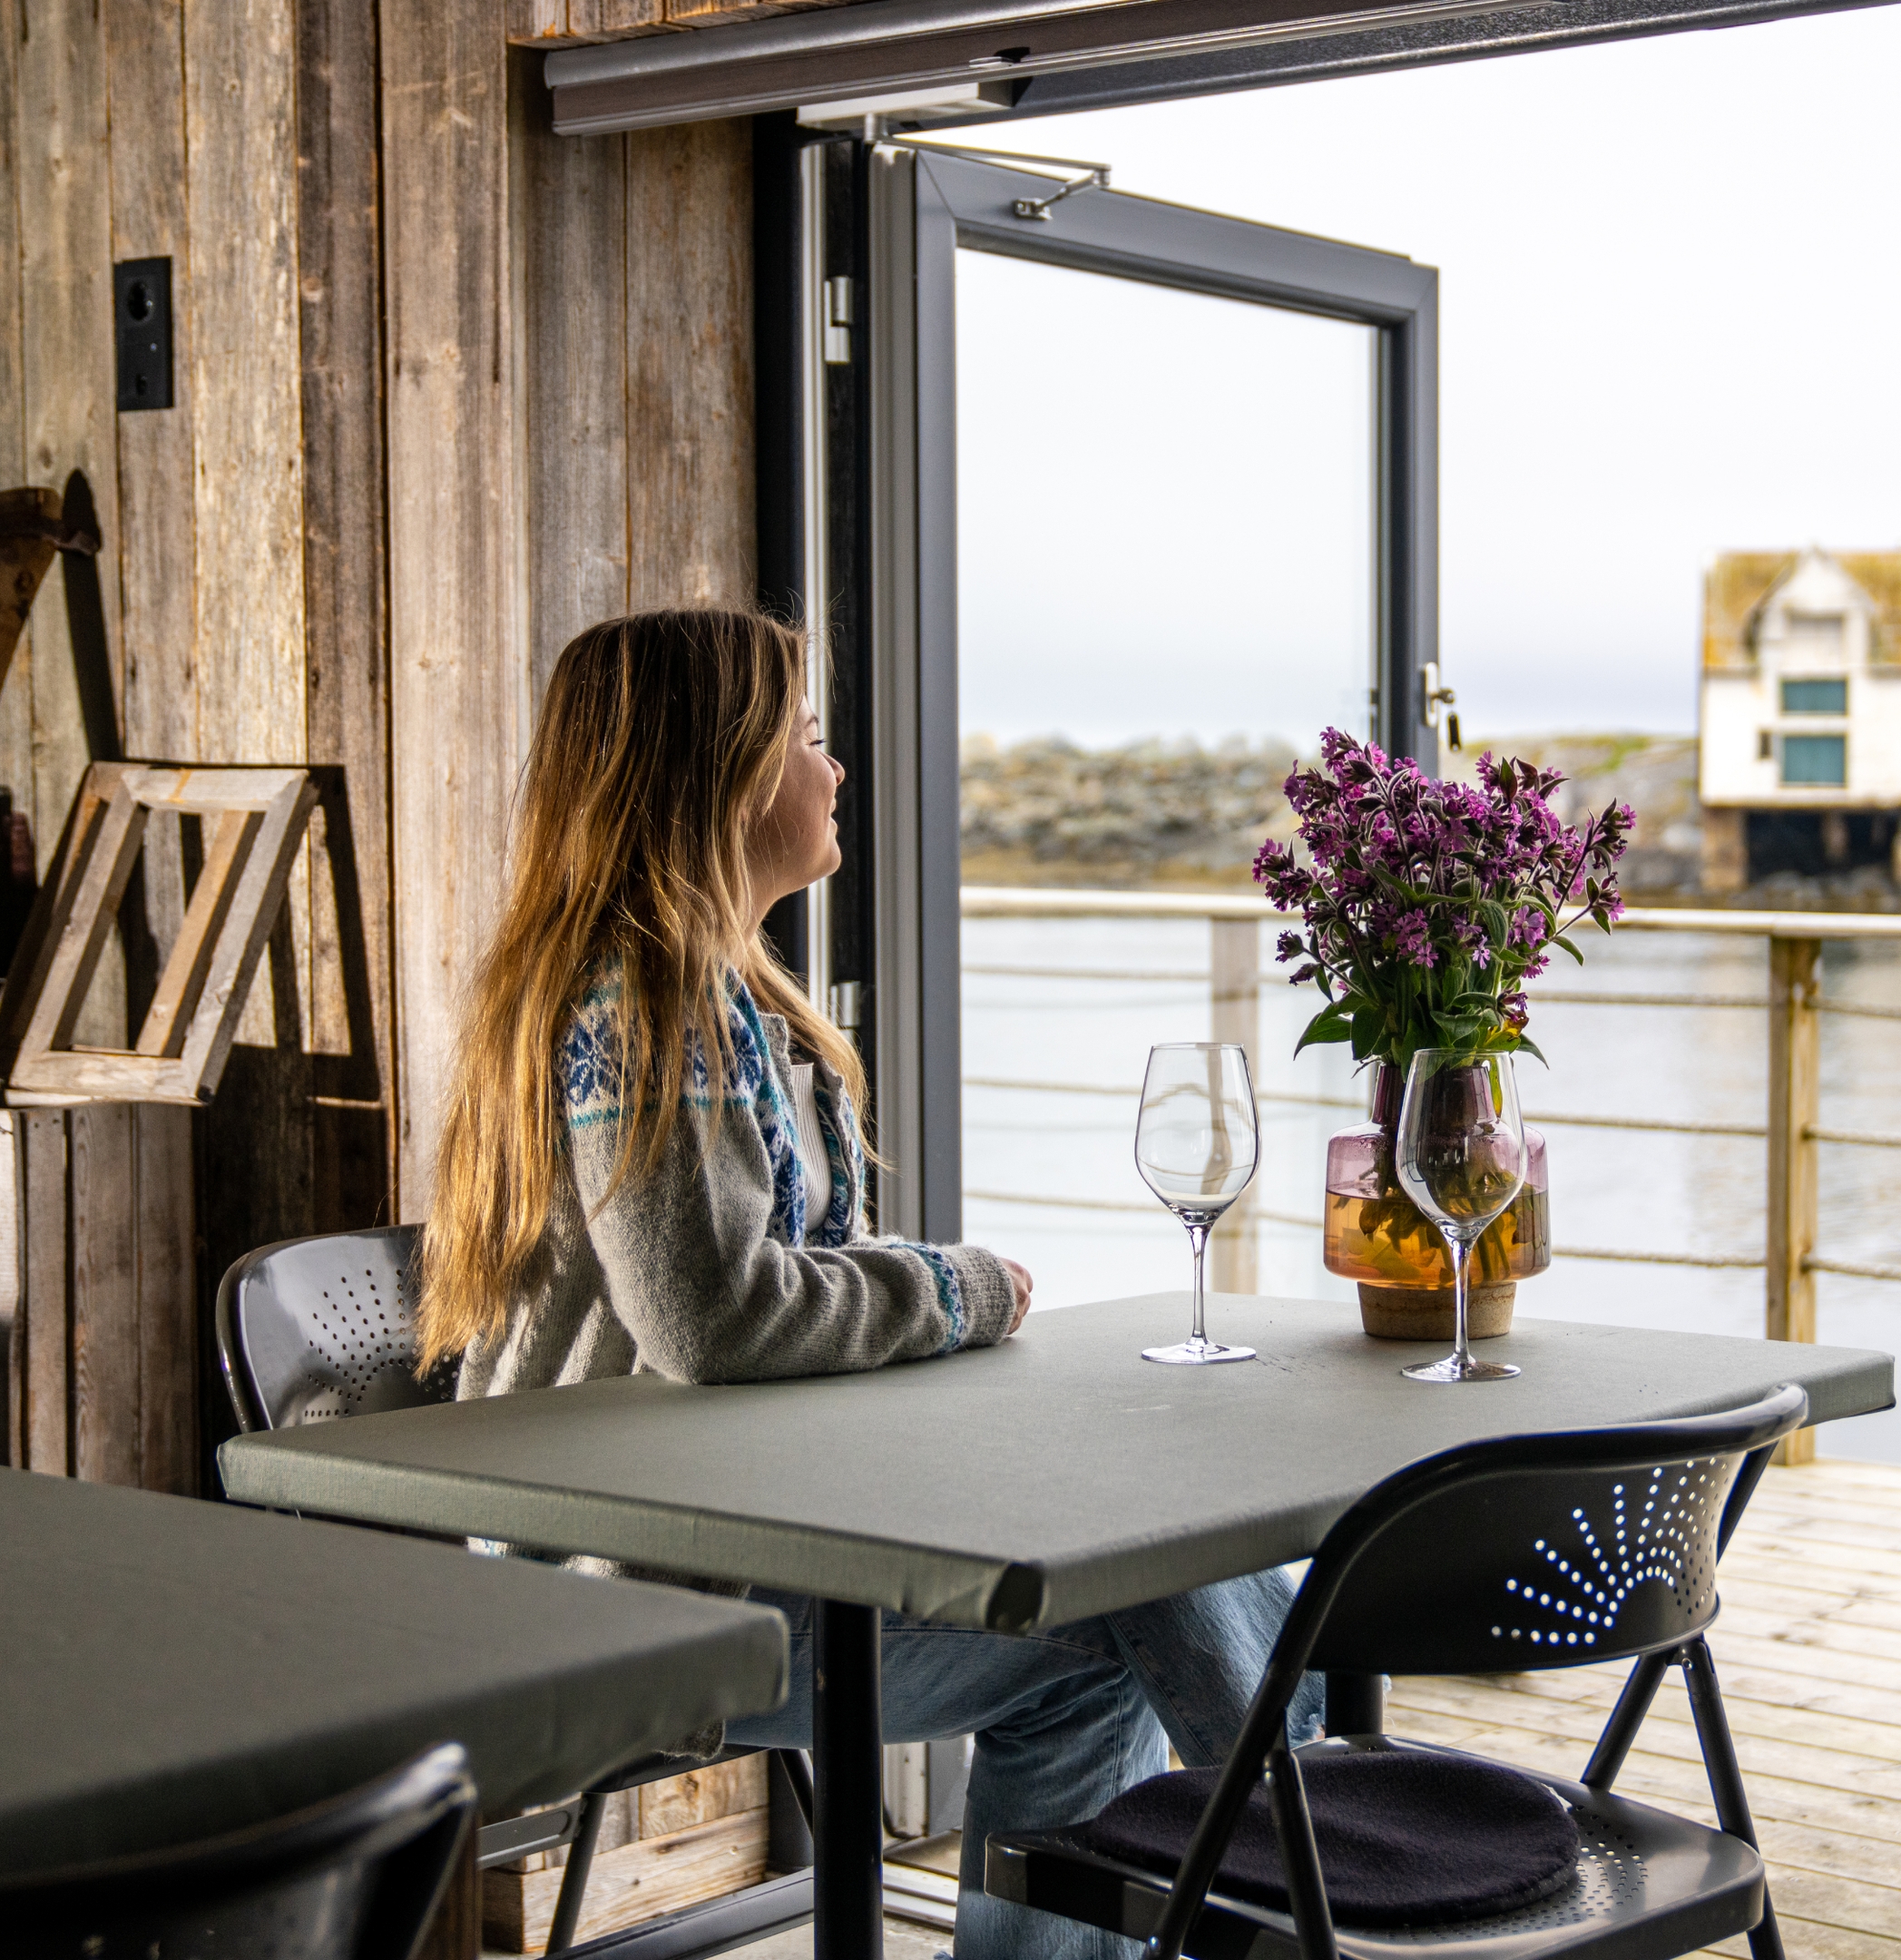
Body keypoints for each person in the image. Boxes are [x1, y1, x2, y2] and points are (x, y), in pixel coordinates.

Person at [416, 607, 1313, 1960]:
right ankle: (1303, 1865)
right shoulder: (639, 997)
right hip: (627, 1588)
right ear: (717, 775)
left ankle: (1286, 1854)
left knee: (1115, 1600)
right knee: (1119, 1618)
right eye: (810, 740)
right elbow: (716, 1317)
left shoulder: (719, 993)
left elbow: (788, 1300)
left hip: (738, 1534)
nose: (836, 773)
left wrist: (923, 1307)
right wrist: (956, 1291)